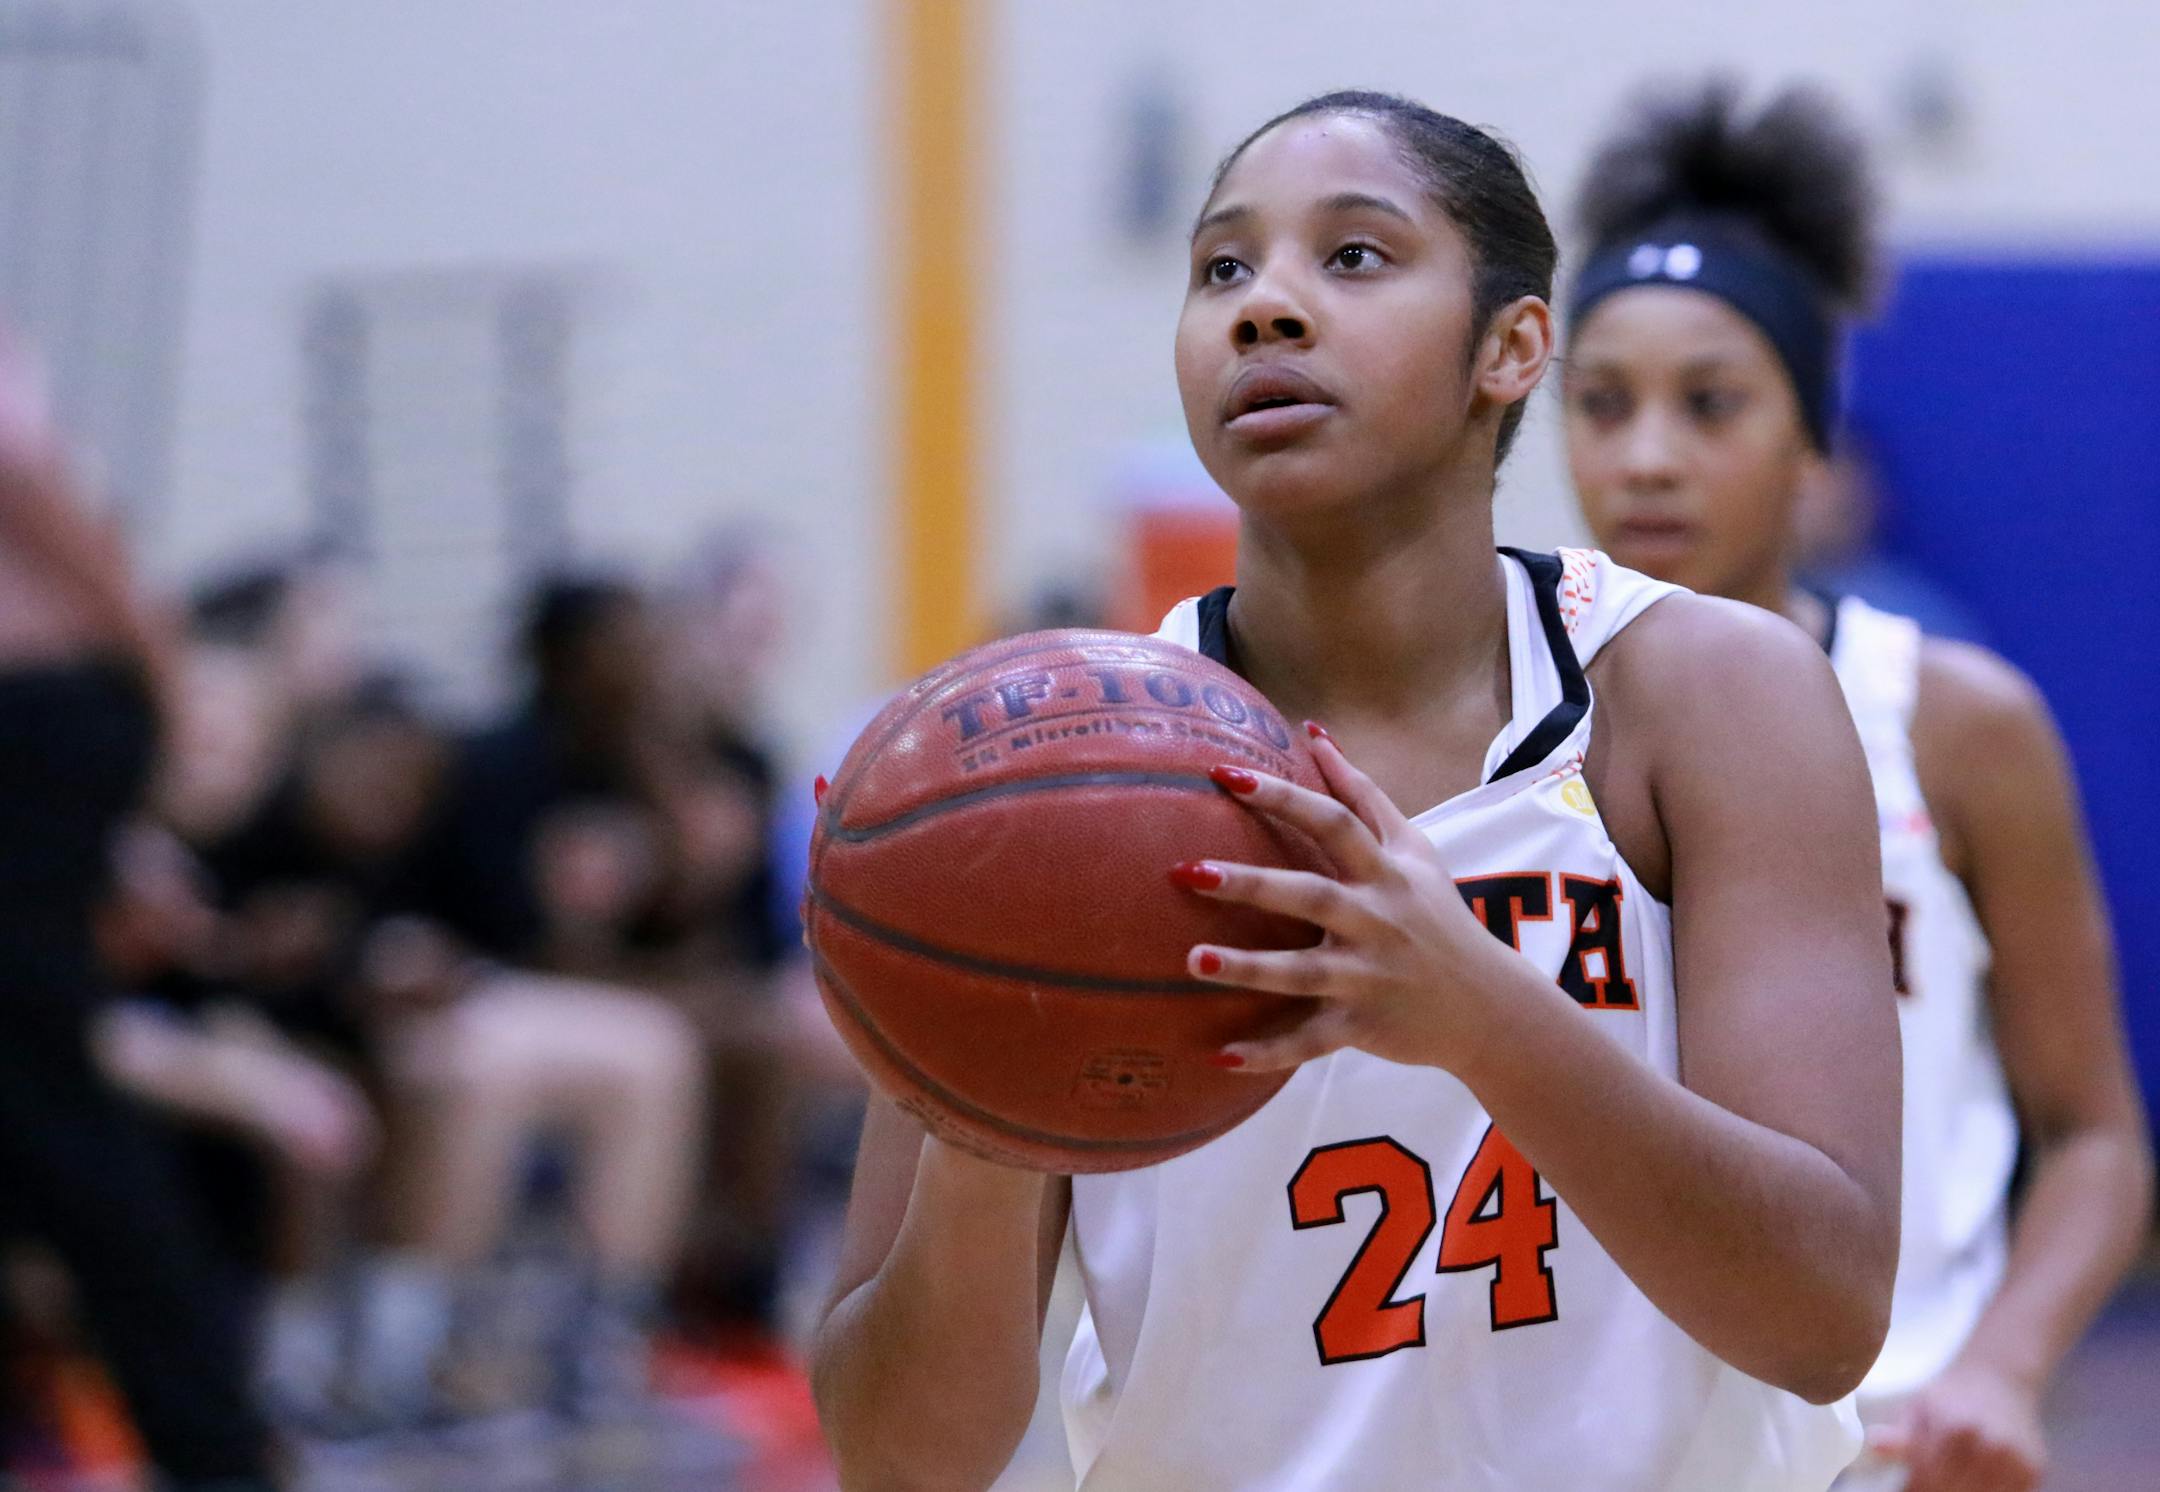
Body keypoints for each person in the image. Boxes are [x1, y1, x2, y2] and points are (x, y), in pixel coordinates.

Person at [813, 90, 1903, 1491]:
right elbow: (901, 1464)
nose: (1265, 307)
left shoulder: (1703, 698)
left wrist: (1481, 1016)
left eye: (1354, 256)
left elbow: (1822, 1319)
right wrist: (989, 1111)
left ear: (1511, 348)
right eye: (1223, 268)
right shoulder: (1031, 784)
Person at [1562, 80, 2153, 1492]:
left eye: (1710, 403)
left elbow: (2095, 1140)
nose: (1648, 454)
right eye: (1603, 403)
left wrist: (2002, 1368)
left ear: (1813, 436)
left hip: (1878, 1451)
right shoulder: (1505, 715)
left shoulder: (1953, 720)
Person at [0, 327, 278, 1487]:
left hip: (34, 713)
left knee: (54, 1105)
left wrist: (158, 686)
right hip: (52, 727)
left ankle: (212, 1442)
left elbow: (26, 472)